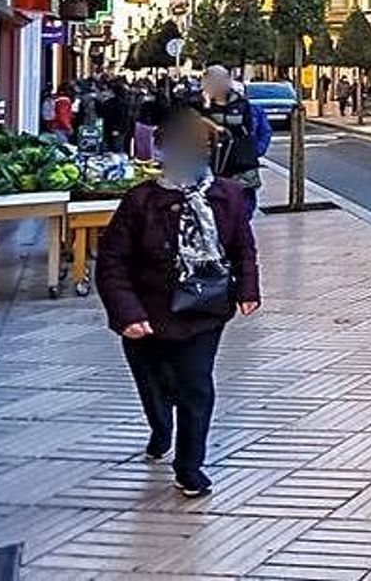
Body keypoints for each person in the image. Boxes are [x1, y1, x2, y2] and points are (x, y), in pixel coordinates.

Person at [95, 108, 261, 498]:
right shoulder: (140, 201)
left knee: (195, 386)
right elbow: (113, 261)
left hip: (203, 310)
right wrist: (127, 313)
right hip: (148, 311)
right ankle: (160, 427)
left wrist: (248, 289)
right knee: (154, 382)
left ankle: (190, 466)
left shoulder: (228, 195)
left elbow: (242, 248)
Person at [197, 66, 270, 219]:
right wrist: (206, 107)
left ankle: (240, 227)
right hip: (212, 161)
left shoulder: (241, 104)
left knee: (244, 201)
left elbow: (255, 130)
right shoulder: (197, 103)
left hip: (241, 161)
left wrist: (255, 150)